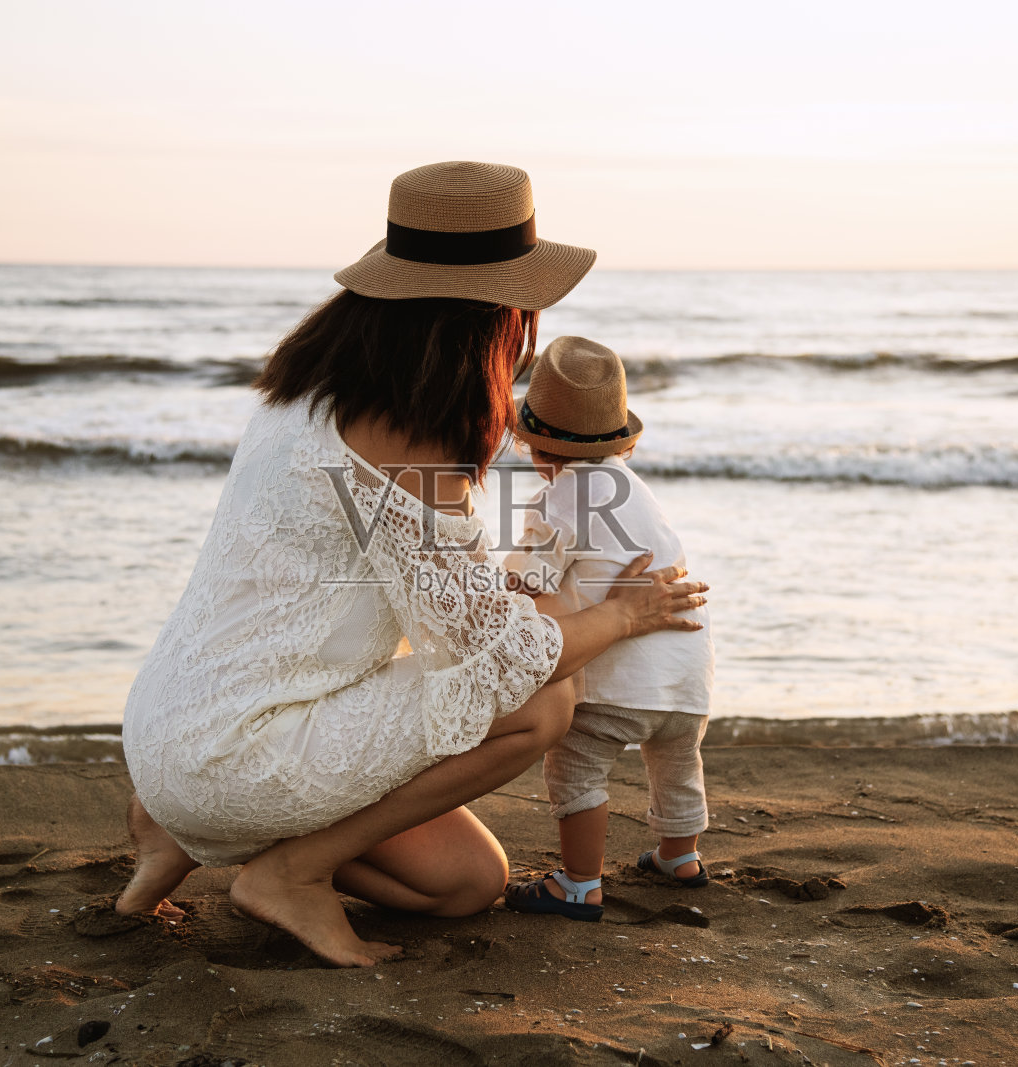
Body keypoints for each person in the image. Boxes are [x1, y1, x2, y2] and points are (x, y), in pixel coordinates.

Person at [114, 162, 708, 967]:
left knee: (466, 881)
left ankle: (177, 833)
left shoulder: (311, 382)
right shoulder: (412, 430)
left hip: (165, 732)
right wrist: (624, 613)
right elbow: (501, 659)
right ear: (497, 312)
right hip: (237, 752)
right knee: (546, 700)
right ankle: (293, 869)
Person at [500, 336, 715, 922]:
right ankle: (681, 857)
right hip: (687, 678)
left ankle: (578, 883)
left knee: (575, 762)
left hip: (618, 684)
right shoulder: (636, 491)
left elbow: (525, 587)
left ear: (536, 446)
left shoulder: (560, 497)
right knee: (676, 763)